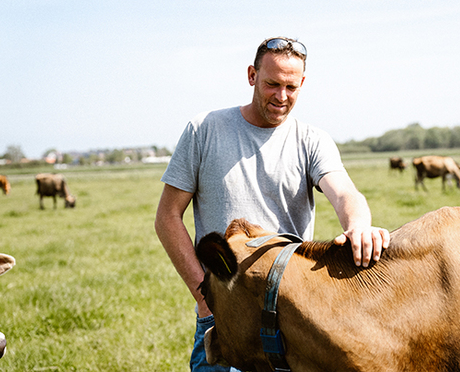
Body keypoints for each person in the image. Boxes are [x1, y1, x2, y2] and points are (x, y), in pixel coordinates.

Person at [154, 36, 390, 371]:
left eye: (291, 87)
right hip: (224, 315)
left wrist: (358, 225)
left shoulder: (312, 140)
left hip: (292, 317)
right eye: (272, 84)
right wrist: (205, 296)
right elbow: (167, 217)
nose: (281, 97)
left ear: (302, 83)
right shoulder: (204, 130)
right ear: (252, 75)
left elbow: (344, 193)